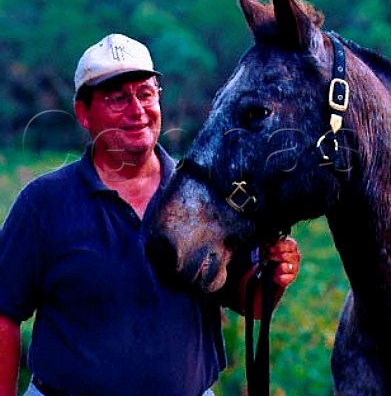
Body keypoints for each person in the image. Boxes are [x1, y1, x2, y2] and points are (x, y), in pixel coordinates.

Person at [0, 33, 301, 396]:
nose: (136, 110)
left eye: (145, 93)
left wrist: (272, 278)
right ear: (83, 112)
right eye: (117, 99)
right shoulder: (43, 203)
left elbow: (246, 301)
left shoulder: (207, 195)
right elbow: (4, 313)